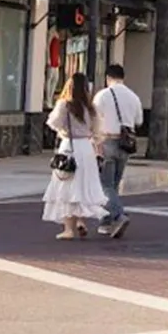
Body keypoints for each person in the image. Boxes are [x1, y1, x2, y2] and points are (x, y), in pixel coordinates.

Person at [42, 72, 106, 239]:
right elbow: (98, 131)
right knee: (83, 186)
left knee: (67, 186)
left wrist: (64, 131)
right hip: (86, 147)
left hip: (69, 147)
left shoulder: (65, 104)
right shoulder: (91, 108)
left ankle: (68, 229)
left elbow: (53, 123)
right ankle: (81, 222)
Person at [93, 62, 143, 239]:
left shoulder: (102, 95)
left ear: (107, 78)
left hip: (107, 141)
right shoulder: (133, 97)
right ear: (123, 78)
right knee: (113, 185)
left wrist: (95, 141)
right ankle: (106, 222)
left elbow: (94, 119)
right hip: (125, 144)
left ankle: (119, 215)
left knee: (105, 185)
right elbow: (139, 121)